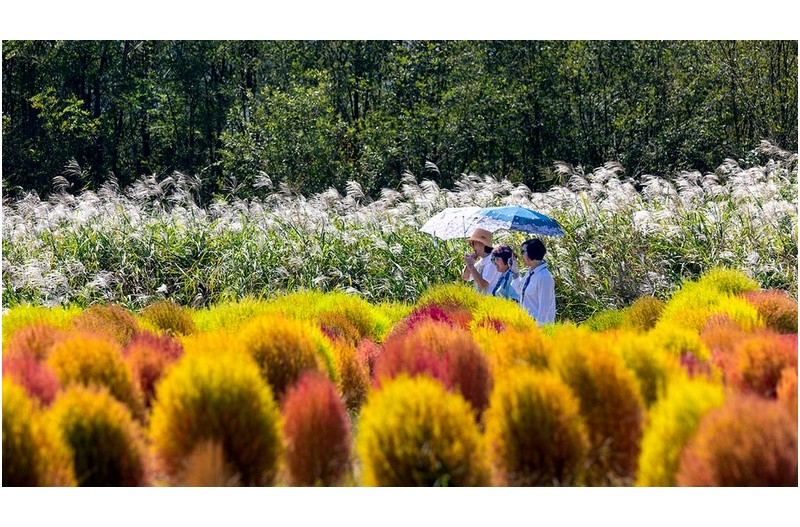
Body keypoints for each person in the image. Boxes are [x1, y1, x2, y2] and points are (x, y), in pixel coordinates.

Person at [512, 238, 555, 324]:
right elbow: (519, 290)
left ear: (531, 252)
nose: (522, 255)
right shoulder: (530, 272)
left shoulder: (544, 277)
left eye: (523, 252)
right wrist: (515, 271)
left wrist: (536, 330)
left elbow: (544, 309)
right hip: (526, 324)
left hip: (537, 329)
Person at [462, 228, 498, 294]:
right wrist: (469, 264)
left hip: (490, 301)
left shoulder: (492, 260)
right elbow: (465, 277)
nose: (472, 248)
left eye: (474, 244)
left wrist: (471, 265)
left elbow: (484, 285)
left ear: (483, 244)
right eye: (471, 244)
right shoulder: (482, 261)